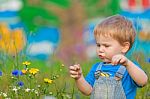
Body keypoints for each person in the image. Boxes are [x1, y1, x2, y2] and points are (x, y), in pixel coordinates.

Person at [69, 15, 148, 99]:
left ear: (124, 47)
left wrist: (128, 64)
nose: (100, 49)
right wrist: (79, 78)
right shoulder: (97, 68)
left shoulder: (130, 68)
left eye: (106, 46)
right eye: (98, 45)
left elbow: (143, 82)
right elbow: (88, 91)